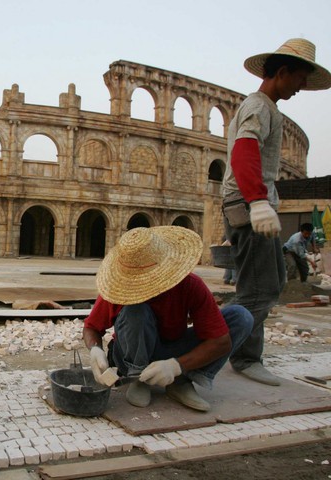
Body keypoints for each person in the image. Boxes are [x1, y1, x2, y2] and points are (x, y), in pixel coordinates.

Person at [221, 38, 331, 386]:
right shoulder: (260, 107)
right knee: (258, 289)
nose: (301, 89)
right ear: (282, 72)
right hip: (247, 204)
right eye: (300, 80)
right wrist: (256, 201)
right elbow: (243, 151)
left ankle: (226, 344)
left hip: (252, 203)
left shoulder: (265, 108)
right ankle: (237, 355)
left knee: (273, 283)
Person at [83, 227, 253, 412]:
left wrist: (176, 366)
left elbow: (221, 341)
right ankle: (138, 378)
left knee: (241, 317)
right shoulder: (119, 288)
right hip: (132, 353)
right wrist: (95, 349)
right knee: (135, 309)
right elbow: (91, 327)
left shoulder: (189, 285)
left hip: (173, 350)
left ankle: (182, 381)